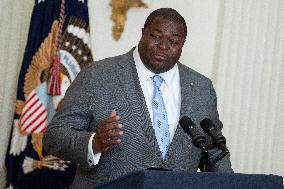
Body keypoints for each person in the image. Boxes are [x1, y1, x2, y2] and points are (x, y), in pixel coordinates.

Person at [43, 8, 233, 189]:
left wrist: (230, 184)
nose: (163, 46)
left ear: (183, 44)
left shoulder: (201, 88)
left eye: (174, 42)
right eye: (156, 37)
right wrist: (94, 142)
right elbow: (54, 137)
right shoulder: (97, 76)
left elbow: (214, 151)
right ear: (143, 33)